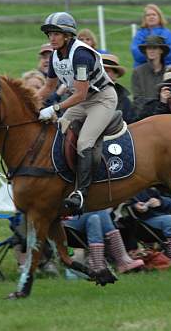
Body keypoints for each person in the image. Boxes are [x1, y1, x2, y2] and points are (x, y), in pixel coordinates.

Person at [36, 12, 116, 214]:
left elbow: (79, 94)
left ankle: (81, 192)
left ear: (67, 35)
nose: (51, 38)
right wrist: (30, 103)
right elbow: (48, 87)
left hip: (102, 99)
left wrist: (54, 108)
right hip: (83, 100)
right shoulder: (55, 55)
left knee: (84, 142)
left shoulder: (81, 55)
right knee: (59, 129)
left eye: (56, 33)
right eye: (49, 34)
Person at [63, 209, 144, 274]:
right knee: (99, 208)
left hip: (77, 218)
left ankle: (97, 266)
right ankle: (122, 260)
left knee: (94, 218)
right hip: (63, 223)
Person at [131, 35, 171, 119]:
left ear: (161, 50)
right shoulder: (138, 72)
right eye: (149, 48)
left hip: (167, 115)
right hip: (144, 116)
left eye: (154, 48)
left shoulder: (169, 72)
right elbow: (137, 99)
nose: (151, 51)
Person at [101, 53, 133, 123]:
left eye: (107, 71)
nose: (103, 74)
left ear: (115, 75)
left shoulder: (124, 101)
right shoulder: (86, 94)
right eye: (100, 71)